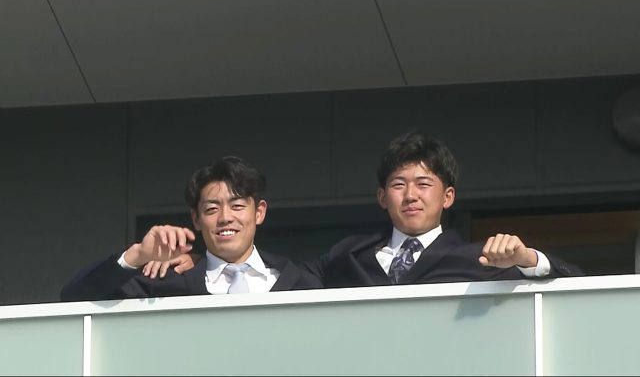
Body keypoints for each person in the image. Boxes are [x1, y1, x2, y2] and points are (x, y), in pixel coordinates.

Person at [143, 130, 583, 287]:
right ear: (381, 197)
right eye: (398, 185)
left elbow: (578, 287)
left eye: (424, 185)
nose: (411, 195)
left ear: (447, 197)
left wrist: (528, 259)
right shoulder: (348, 255)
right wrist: (203, 261)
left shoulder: (480, 258)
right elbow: (277, 278)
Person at [60, 156, 322, 302]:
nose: (225, 218)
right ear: (196, 219)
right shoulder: (166, 281)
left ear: (259, 212)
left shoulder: (299, 282)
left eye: (237, 206)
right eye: (211, 209)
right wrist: (138, 254)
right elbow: (75, 296)